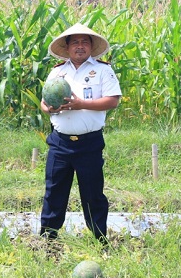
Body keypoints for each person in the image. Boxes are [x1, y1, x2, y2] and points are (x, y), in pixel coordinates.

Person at [38, 23, 121, 242]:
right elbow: (44, 103)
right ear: (67, 47)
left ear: (91, 47)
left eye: (85, 42)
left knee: (93, 194)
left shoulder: (103, 70)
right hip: (60, 143)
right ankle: (48, 239)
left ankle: (99, 240)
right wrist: (49, 108)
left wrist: (81, 104)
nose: (80, 46)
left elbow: (112, 101)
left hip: (89, 144)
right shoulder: (57, 71)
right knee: (54, 191)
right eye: (75, 42)